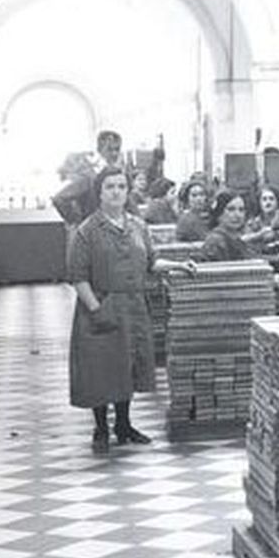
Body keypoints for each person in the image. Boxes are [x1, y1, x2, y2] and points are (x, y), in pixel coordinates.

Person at [68, 165, 195, 452]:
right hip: (101, 303)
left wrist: (178, 265)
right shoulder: (87, 231)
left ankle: (123, 425)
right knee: (100, 368)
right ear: (99, 193)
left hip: (134, 306)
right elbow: (78, 277)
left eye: (121, 186)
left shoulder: (138, 226)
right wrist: (96, 308)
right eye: (110, 187)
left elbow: (152, 262)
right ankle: (101, 427)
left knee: (128, 365)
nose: (116, 192)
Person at [200, 190, 255, 262]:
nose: (237, 215)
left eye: (241, 210)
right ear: (219, 213)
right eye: (231, 209)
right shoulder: (215, 242)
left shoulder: (236, 238)